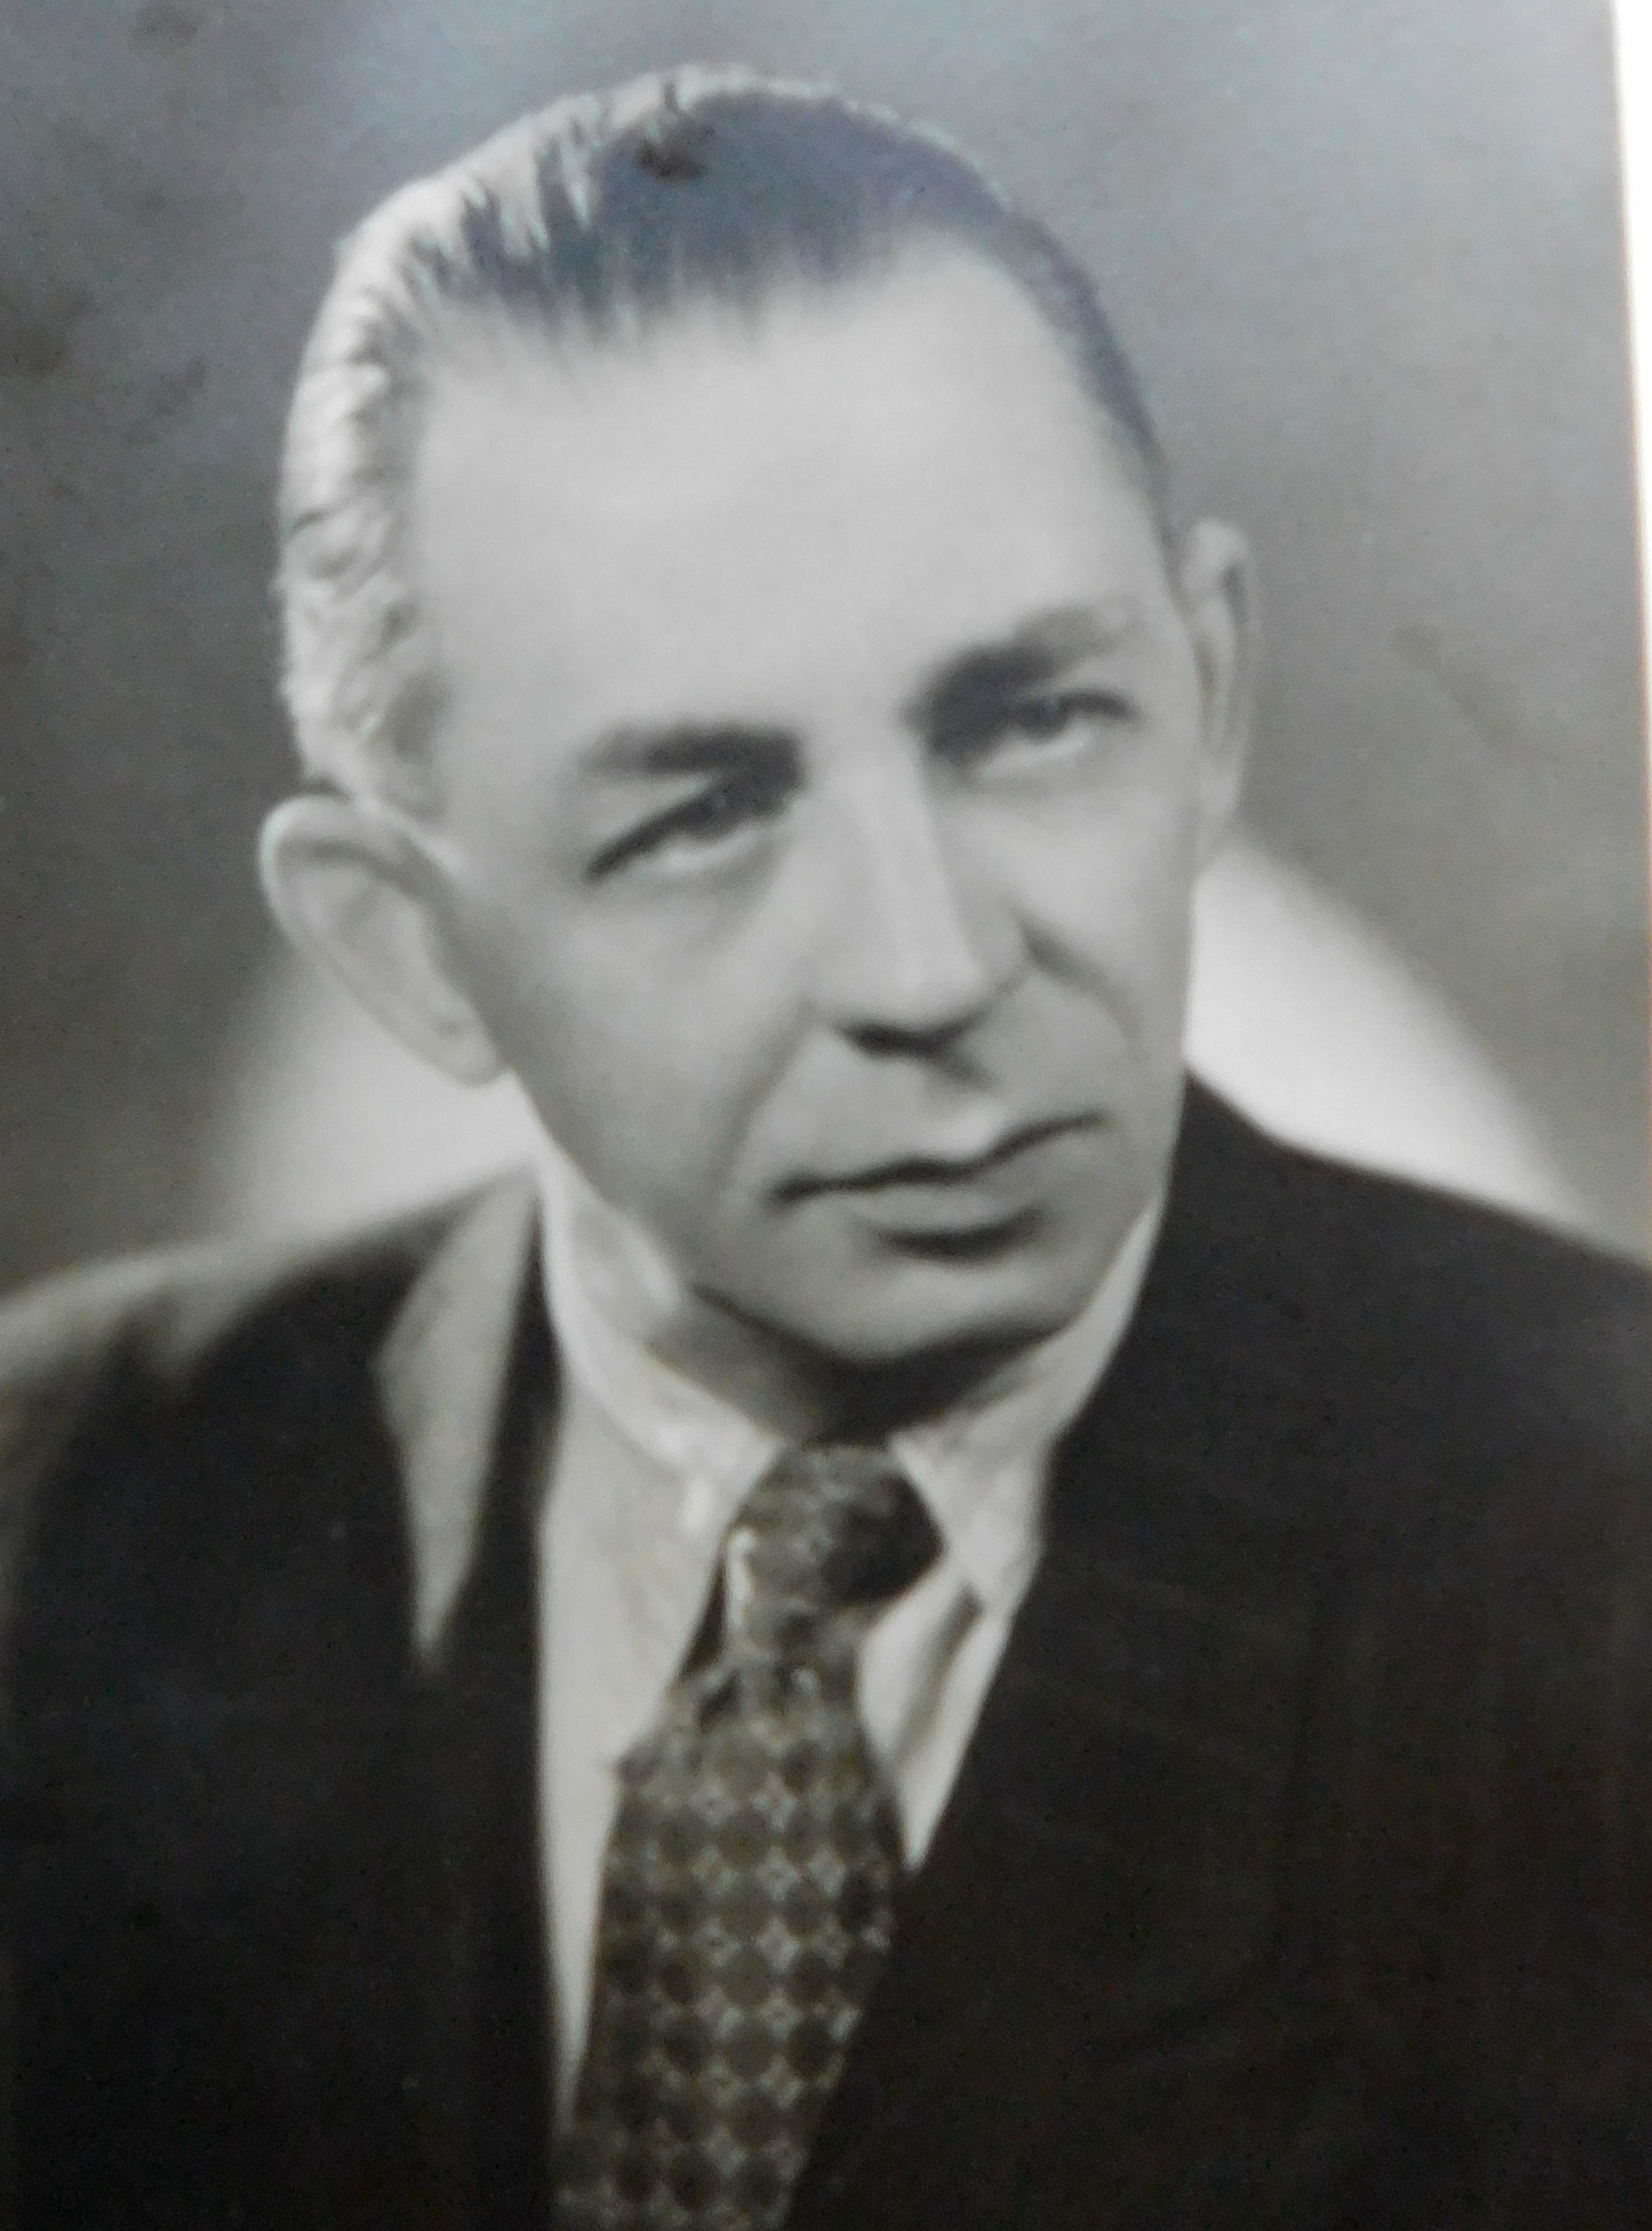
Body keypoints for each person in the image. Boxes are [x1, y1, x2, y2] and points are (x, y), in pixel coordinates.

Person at [2, 63, 1650, 2231]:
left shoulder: (1604, 1561)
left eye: (1028, 720)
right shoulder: (53, 1523)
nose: (929, 963)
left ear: (1207, 697)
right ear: (405, 946)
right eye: (703, 815)